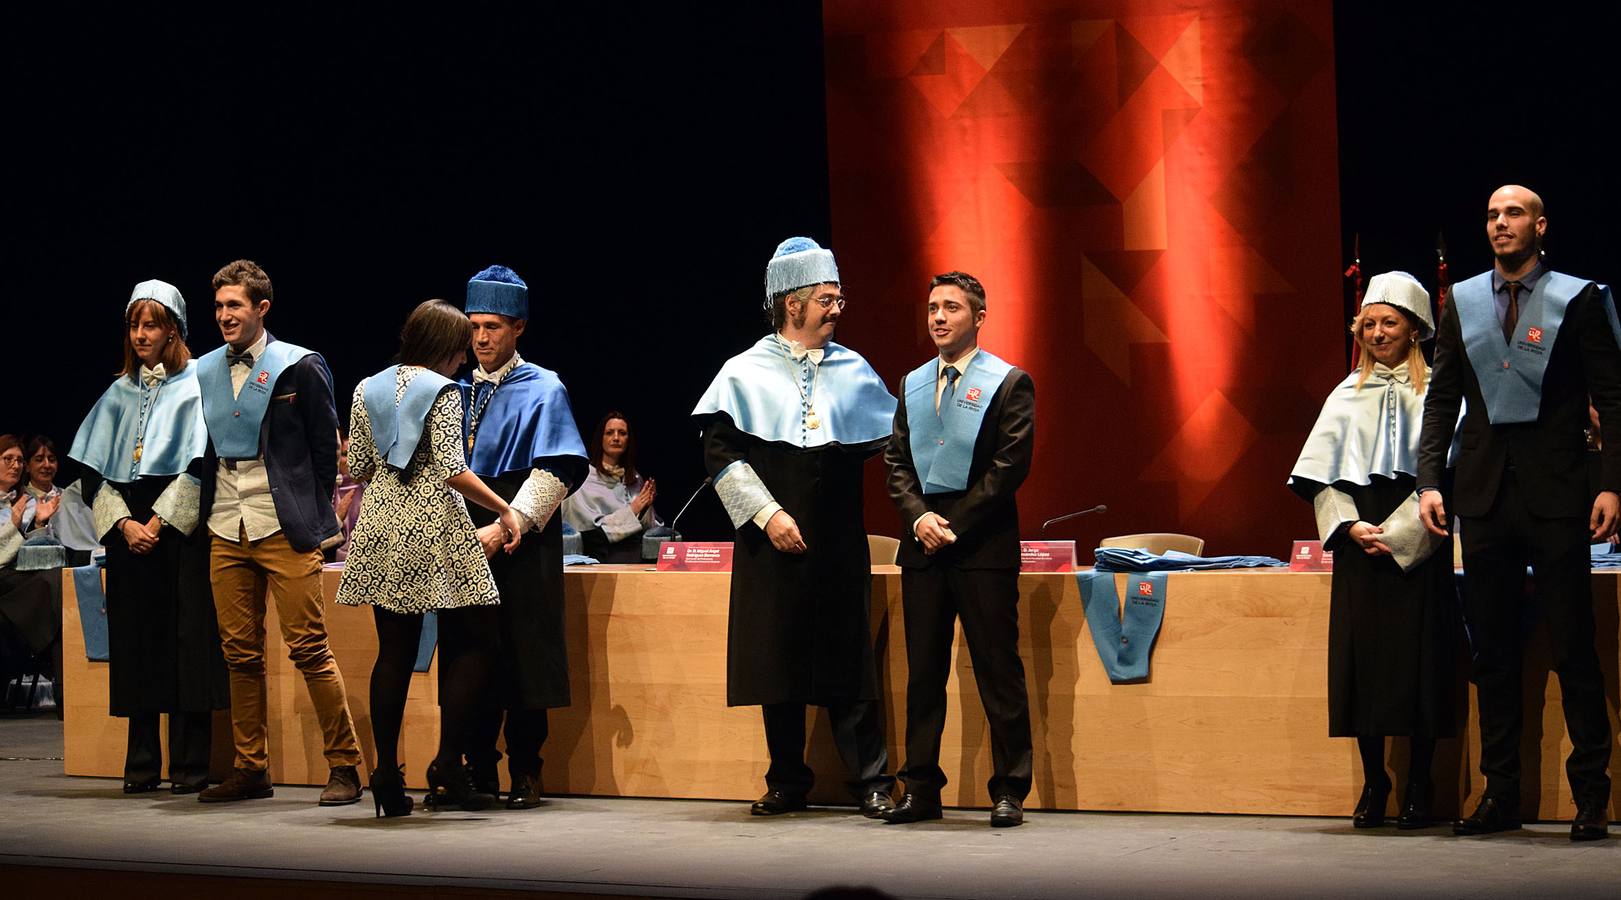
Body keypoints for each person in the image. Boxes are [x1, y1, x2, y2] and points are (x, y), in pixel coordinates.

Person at [1418, 185, 1621, 841]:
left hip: (1560, 492)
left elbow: (1612, 400)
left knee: (1573, 647)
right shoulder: (1463, 303)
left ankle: (1590, 795)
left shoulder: (1579, 297)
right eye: (1489, 215)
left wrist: (1611, 485)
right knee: (1494, 656)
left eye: (1511, 214)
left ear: (1539, 225)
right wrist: (1428, 481)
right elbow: (1440, 398)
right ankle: (1499, 794)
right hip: (1481, 494)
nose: (1498, 224)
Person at [692, 237, 898, 818]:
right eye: (827, 299)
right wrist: (767, 514)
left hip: (836, 540)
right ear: (793, 304)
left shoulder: (854, 369)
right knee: (776, 659)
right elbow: (720, 456)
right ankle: (787, 780)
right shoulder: (743, 371)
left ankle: (872, 780)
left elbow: (891, 441)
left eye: (839, 298)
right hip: (770, 540)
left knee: (848, 658)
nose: (838, 308)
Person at [335, 299, 526, 816]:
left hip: (378, 524)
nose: (465, 360)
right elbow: (449, 468)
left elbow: (358, 463)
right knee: (479, 637)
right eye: (461, 350)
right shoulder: (441, 391)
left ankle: (382, 774)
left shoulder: (365, 387)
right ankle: (445, 762)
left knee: (393, 653)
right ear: (444, 348)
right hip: (433, 525)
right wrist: (505, 508)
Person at [1289, 272, 1456, 830]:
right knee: (1365, 667)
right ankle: (1375, 781)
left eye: (1389, 322)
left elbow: (1450, 472)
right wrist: (1350, 528)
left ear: (1414, 329)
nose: (1377, 332)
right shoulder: (1345, 392)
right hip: (1359, 545)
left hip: (1420, 540)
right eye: (1369, 323)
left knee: (1421, 665)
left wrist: (1405, 534)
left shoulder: (1439, 390)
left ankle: (1418, 783)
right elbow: (1320, 476)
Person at [193, 259, 363, 806]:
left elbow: (323, 453)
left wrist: (310, 517)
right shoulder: (205, 370)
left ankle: (345, 767)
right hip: (225, 524)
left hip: (282, 527)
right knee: (239, 655)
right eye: (218, 306)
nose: (224, 316)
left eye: (234, 305)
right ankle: (250, 767)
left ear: (261, 308)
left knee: (310, 649)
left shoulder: (300, 366)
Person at [881, 271, 1035, 828]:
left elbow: (1009, 467)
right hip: (923, 544)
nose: (938, 317)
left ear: (978, 316)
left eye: (950, 307)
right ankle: (920, 787)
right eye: (931, 308)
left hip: (982, 544)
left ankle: (1009, 789)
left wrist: (953, 524)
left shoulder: (1009, 382)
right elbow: (895, 462)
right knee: (924, 673)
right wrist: (920, 518)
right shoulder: (913, 383)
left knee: (998, 670)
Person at [68, 280, 229, 793]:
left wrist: (158, 523)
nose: (141, 334)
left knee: (187, 641)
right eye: (135, 324)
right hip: (129, 529)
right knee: (137, 642)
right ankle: (140, 765)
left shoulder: (198, 383)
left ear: (173, 330)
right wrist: (123, 524)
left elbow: (201, 464)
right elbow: (95, 472)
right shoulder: (117, 392)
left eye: (152, 324)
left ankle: (189, 766)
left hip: (179, 532)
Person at [458, 265, 588, 809]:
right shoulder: (454, 389)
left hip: (522, 534)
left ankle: (526, 772)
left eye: (492, 326)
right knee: (472, 653)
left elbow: (558, 467)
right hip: (463, 529)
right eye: (474, 326)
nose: (482, 337)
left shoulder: (543, 386)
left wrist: (509, 522)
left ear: (518, 328)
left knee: (523, 653)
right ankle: (477, 768)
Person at [0, 435, 58, 703]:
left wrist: (38, 525)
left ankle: (57, 666)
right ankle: (46, 653)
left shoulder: (23, 501)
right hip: (3, 579)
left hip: (15, 576)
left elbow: (26, 552)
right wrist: (12, 524)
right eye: (7, 459)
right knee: (50, 584)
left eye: (19, 461)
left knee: (58, 581)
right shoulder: (13, 507)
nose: (15, 465)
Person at [562, 411, 662, 562]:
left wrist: (645, 508)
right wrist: (633, 510)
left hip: (635, 549)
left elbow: (647, 529)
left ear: (628, 440)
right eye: (609, 433)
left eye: (622, 433)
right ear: (600, 439)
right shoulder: (584, 478)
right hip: (599, 552)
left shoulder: (634, 478)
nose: (616, 438)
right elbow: (590, 533)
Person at [330, 430, 364, 563]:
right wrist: (338, 517)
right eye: (345, 454)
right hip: (330, 558)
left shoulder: (369, 490)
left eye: (354, 454)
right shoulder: (328, 490)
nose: (349, 460)